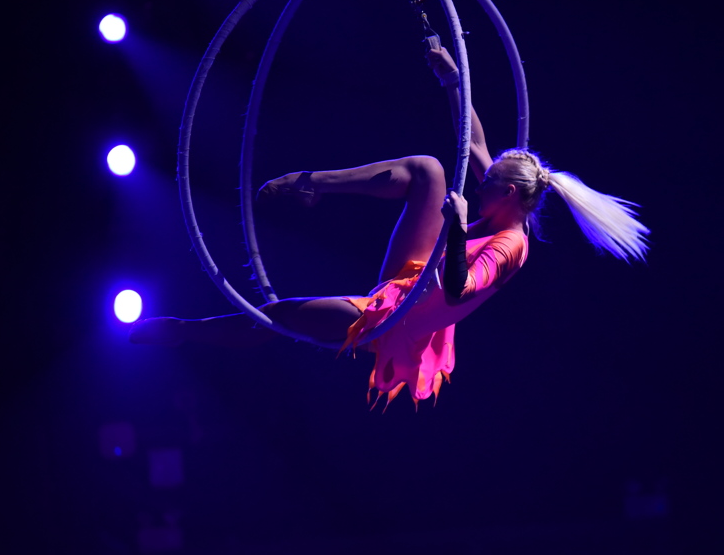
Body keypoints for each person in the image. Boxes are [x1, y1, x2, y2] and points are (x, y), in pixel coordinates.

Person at [130, 48, 649, 410]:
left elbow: (457, 286)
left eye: (488, 184)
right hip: (417, 276)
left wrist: (458, 225)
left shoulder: (511, 245)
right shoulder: (507, 202)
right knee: (430, 169)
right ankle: (313, 184)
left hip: (404, 316)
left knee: (277, 317)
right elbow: (474, 143)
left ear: (508, 195)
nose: (482, 179)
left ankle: (182, 333)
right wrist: (451, 79)